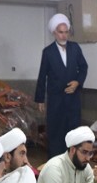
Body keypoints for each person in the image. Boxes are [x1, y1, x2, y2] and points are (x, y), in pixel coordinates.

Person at [35, 13, 88, 159]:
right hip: (56, 99)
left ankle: (74, 161)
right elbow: (42, 75)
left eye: (66, 32)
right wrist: (40, 99)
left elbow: (83, 67)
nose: (64, 35)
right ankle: (55, 162)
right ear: (54, 32)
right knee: (56, 131)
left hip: (73, 99)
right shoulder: (48, 52)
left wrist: (77, 82)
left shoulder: (75, 48)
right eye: (60, 32)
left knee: (73, 131)